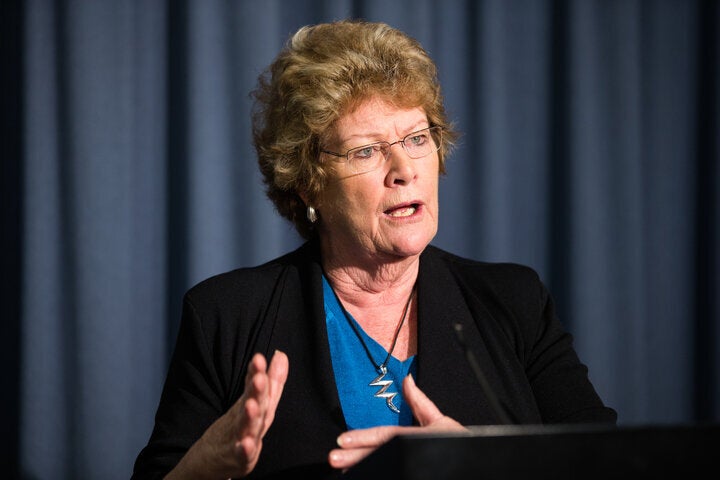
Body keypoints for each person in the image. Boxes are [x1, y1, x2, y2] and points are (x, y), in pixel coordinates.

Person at [131, 19, 616, 480]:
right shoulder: (227, 316)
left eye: (417, 138)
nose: (404, 168)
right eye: (366, 150)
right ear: (309, 186)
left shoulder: (513, 302)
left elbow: (608, 464)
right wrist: (205, 468)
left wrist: (483, 466)